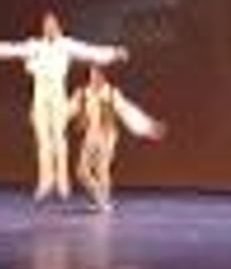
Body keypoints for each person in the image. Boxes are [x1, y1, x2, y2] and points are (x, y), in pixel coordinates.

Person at [0, 12, 128, 202]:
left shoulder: (66, 45)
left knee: (58, 139)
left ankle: (62, 183)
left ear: (58, 26)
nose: (50, 27)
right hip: (40, 95)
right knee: (43, 140)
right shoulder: (35, 46)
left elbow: (90, 51)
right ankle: (45, 181)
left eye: (53, 24)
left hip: (57, 94)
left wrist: (114, 53)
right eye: (47, 25)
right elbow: (10, 49)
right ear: (43, 28)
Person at [69, 66, 165, 212]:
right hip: (90, 135)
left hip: (108, 135)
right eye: (91, 75)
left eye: (97, 75)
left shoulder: (112, 93)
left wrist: (148, 127)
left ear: (103, 77)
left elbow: (128, 112)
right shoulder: (82, 94)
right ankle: (98, 197)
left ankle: (103, 201)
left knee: (102, 168)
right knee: (81, 171)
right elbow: (68, 110)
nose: (94, 78)